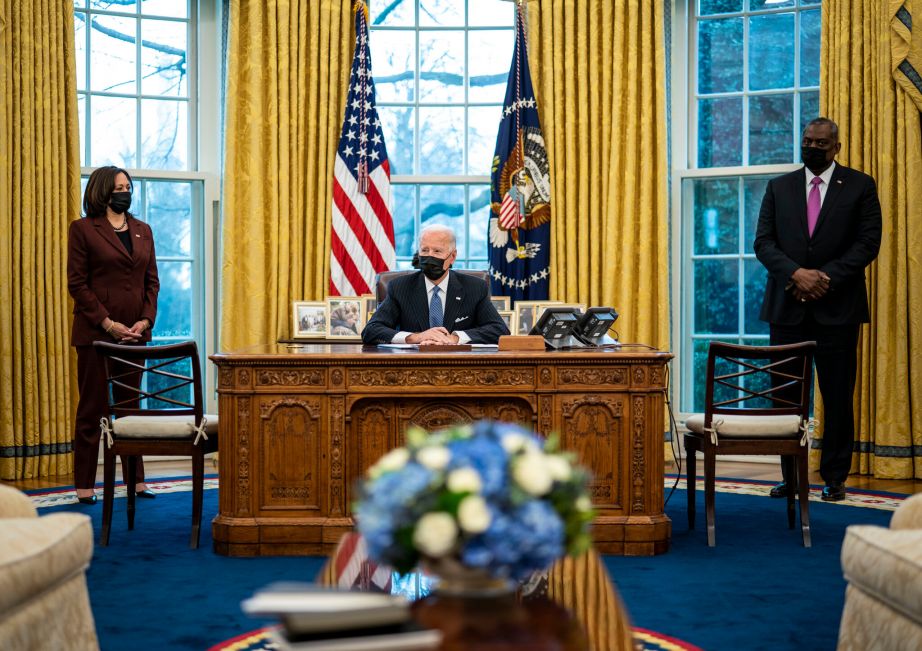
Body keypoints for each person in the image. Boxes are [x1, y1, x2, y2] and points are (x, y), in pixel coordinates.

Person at [753, 117, 882, 502]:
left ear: (836, 147)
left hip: (838, 309)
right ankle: (791, 478)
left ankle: (835, 477)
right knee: (786, 399)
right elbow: (764, 242)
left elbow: (867, 243)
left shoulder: (859, 185)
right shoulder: (779, 187)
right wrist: (796, 274)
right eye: (807, 140)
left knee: (838, 395)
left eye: (821, 143)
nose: (812, 147)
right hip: (786, 308)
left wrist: (823, 277)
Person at [67, 166, 160, 504]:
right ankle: (84, 486)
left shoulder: (143, 230)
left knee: (130, 410)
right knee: (92, 409)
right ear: (103, 191)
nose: (125, 191)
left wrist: (145, 321)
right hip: (96, 334)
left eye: (128, 186)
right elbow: (77, 284)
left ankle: (136, 482)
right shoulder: (82, 229)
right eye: (119, 186)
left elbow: (152, 281)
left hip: (135, 336)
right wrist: (107, 323)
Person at [362, 225, 510, 345]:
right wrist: (415, 337)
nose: (429, 256)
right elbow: (371, 331)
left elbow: (499, 330)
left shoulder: (475, 287)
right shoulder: (400, 287)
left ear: (452, 257)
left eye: (437, 251)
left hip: (461, 367)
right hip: (412, 367)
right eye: (425, 250)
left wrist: (456, 338)